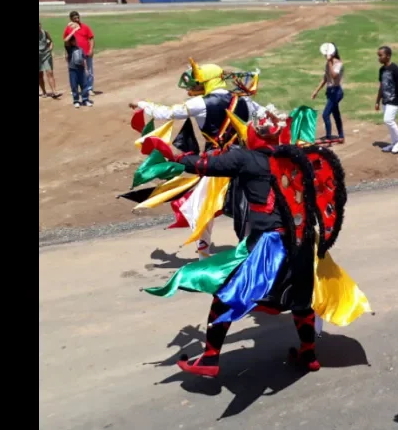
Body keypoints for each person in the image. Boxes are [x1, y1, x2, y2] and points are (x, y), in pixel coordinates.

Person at [139, 119, 371, 377]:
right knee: (301, 298)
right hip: (302, 242)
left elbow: (205, 165)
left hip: (268, 245)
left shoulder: (247, 159)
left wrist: (173, 155)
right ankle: (308, 354)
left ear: (254, 136)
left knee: (226, 292)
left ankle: (210, 358)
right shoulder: (295, 159)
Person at [128, 59, 264, 259]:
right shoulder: (244, 100)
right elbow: (267, 116)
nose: (195, 86)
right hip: (243, 161)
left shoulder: (201, 103)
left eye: (199, 81)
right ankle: (250, 252)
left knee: (202, 207)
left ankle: (204, 253)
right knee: (245, 206)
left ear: (208, 81)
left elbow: (166, 113)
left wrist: (141, 104)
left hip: (215, 163)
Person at [63, 11, 102, 97]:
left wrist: (91, 49)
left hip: (86, 52)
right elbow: (66, 41)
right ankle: (76, 89)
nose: (77, 20)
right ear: (71, 19)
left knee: (89, 71)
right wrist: (66, 53)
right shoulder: (68, 28)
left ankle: (89, 89)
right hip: (74, 54)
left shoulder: (85, 27)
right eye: (74, 19)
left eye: (78, 18)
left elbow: (91, 39)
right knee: (75, 71)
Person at [375, 46, 398, 153]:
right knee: (389, 122)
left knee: (388, 120)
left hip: (394, 100)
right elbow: (381, 86)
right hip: (385, 100)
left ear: (388, 56)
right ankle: (394, 143)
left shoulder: (395, 69)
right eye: (378, 56)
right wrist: (377, 101)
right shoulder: (382, 70)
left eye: (381, 55)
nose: (379, 58)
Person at [311, 43, 344, 144]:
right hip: (330, 91)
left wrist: (329, 62)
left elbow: (334, 75)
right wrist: (316, 91)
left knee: (325, 114)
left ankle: (328, 136)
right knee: (336, 114)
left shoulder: (338, 63)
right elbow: (326, 78)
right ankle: (341, 136)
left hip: (336, 92)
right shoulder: (327, 64)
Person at [64, 30, 92, 108]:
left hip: (81, 69)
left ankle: (85, 100)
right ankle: (76, 100)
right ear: (71, 42)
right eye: (73, 41)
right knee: (74, 85)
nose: (75, 42)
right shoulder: (69, 49)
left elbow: (84, 59)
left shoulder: (80, 49)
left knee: (84, 85)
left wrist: (86, 69)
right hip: (73, 70)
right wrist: (73, 31)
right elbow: (66, 40)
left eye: (75, 40)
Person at [39, 22, 61, 98]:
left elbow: (50, 41)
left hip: (46, 54)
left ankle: (54, 91)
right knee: (40, 75)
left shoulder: (45, 32)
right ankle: (44, 92)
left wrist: (50, 48)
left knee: (50, 72)